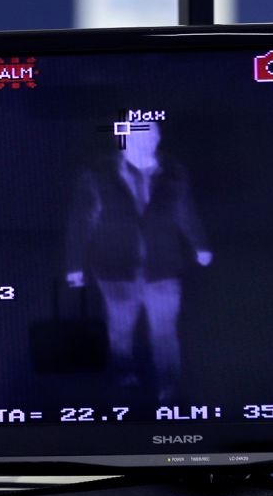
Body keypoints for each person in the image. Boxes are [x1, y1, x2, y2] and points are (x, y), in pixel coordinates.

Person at [65, 120, 211, 402]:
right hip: (115, 268)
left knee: (165, 331)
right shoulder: (98, 174)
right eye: (139, 137)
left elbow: (186, 211)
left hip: (164, 266)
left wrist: (200, 245)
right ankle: (124, 375)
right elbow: (82, 221)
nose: (147, 142)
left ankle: (169, 385)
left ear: (157, 139)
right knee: (120, 329)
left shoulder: (174, 172)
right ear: (126, 140)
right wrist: (74, 266)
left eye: (152, 136)